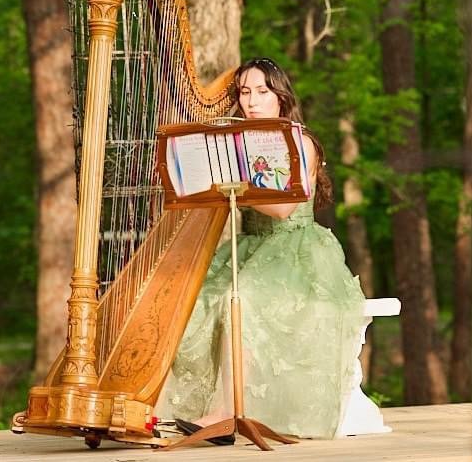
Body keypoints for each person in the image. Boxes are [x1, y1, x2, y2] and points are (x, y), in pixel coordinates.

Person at [156, 57, 367, 439]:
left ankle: (226, 414)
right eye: (245, 92)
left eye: (262, 92)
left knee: (242, 299)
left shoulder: (299, 142)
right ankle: (178, 407)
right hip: (251, 246)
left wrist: (232, 183)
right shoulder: (236, 144)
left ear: (281, 98)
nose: (252, 100)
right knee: (196, 298)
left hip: (295, 251)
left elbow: (284, 208)